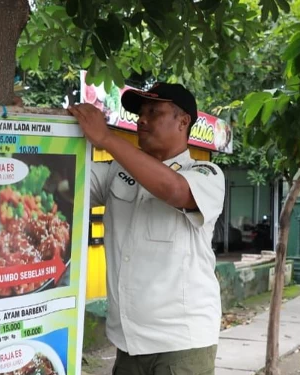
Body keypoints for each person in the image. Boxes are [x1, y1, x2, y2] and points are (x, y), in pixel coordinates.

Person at [68, 82, 225, 375]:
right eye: (141, 113)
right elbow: (65, 184)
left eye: (154, 111)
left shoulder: (206, 173)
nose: (142, 119)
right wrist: (25, 123)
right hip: (127, 342)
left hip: (181, 345)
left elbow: (176, 191)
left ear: (183, 121)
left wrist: (107, 138)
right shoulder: (118, 171)